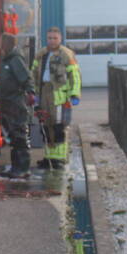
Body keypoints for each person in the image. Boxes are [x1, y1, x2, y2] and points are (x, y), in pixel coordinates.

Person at [30, 27, 81, 169]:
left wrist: (74, 94)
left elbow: (74, 76)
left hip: (59, 96)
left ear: (60, 39)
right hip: (43, 93)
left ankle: (59, 159)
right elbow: (33, 74)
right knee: (46, 126)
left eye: (55, 38)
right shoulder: (41, 54)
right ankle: (48, 158)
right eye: (50, 38)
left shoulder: (66, 55)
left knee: (59, 127)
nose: (52, 41)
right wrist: (33, 93)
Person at [0, 32, 34, 179]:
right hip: (8, 102)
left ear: (5, 43)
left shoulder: (14, 60)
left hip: (15, 103)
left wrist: (30, 93)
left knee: (19, 136)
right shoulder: (6, 60)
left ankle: (23, 168)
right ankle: (15, 167)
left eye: (0, 41)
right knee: (13, 136)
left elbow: (25, 78)